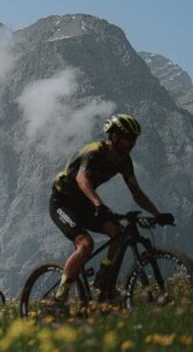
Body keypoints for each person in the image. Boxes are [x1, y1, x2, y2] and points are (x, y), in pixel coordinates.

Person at [49, 114, 174, 304]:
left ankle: (104, 281)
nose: (132, 143)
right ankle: (58, 300)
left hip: (85, 204)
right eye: (128, 138)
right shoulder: (95, 151)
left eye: (135, 139)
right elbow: (82, 179)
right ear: (115, 136)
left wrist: (157, 214)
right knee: (85, 244)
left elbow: (136, 192)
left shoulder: (124, 161)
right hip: (62, 202)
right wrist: (99, 204)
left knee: (119, 234)